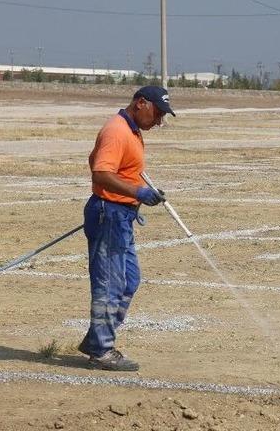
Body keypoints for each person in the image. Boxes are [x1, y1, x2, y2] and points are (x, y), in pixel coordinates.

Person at [77, 86, 174, 371]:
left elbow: (96, 160)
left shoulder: (131, 132)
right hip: (109, 214)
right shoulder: (117, 130)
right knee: (110, 284)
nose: (159, 121)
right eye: (157, 113)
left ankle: (97, 339)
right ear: (141, 103)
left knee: (129, 281)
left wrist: (141, 192)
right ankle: (101, 351)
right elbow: (101, 173)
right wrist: (136, 191)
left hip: (121, 215)